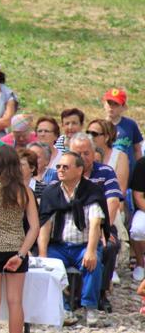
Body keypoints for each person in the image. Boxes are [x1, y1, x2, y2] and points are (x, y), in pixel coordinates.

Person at [38, 151, 110, 326]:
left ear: (79, 170)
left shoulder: (92, 191)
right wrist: (42, 253)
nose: (60, 170)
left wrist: (92, 250)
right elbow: (45, 225)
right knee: (50, 266)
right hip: (59, 245)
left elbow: (95, 224)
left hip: (84, 244)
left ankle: (89, 307)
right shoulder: (51, 192)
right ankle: (63, 308)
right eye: (58, 167)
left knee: (93, 262)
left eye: (65, 167)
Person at [0, 146, 39, 333]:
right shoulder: (25, 190)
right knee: (15, 301)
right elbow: (35, 227)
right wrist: (21, 254)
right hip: (16, 248)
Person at [69, 133, 123, 310]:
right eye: (78, 153)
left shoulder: (105, 172)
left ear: (93, 153)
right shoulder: (63, 172)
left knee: (109, 246)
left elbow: (113, 201)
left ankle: (100, 293)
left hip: (101, 224)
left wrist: (102, 230)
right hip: (71, 226)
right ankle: (71, 293)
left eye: (86, 153)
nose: (82, 158)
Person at [102, 87, 143, 170]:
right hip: (107, 171)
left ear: (124, 107)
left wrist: (140, 169)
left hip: (129, 170)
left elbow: (137, 150)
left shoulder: (130, 125)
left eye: (116, 104)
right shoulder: (99, 126)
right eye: (109, 103)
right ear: (104, 104)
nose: (111, 107)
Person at [87, 119, 129, 196]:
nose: (89, 137)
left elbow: (120, 189)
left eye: (94, 134)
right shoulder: (84, 154)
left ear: (106, 137)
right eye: (87, 133)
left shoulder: (120, 156)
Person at [131, 156, 145, 281]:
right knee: (137, 229)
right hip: (144, 208)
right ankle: (140, 263)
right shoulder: (142, 163)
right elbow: (138, 196)